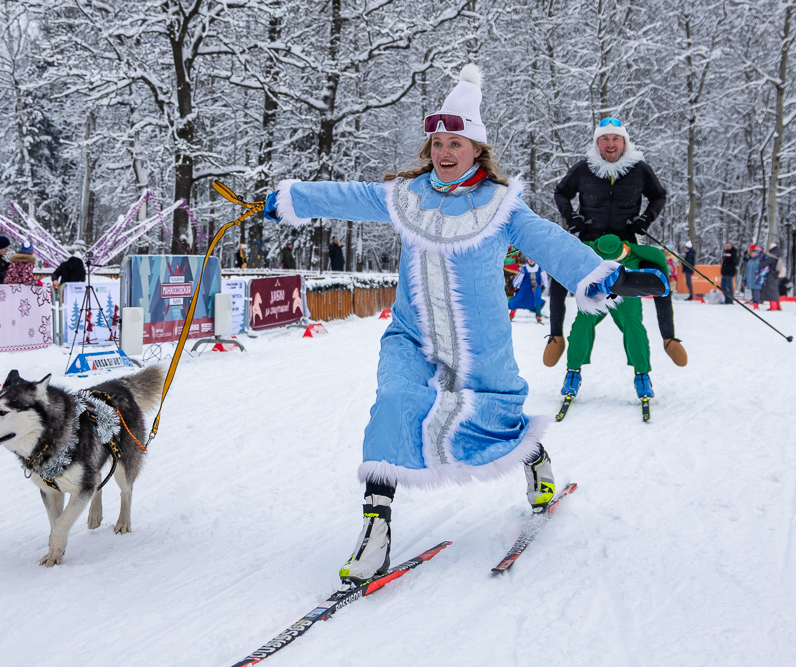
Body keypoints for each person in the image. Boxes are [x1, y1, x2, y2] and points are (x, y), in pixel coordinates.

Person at [261, 64, 666, 584]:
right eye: (437, 144)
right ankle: (375, 528)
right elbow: (348, 195)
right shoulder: (405, 196)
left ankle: (534, 459)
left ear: (477, 150)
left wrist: (598, 277)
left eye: (456, 143)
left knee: (496, 418)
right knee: (394, 403)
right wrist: (289, 200)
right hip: (411, 335)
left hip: (481, 345)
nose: (445, 152)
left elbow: (550, 242)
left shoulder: (502, 207)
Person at [548, 117, 686, 368]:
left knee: (658, 274)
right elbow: (560, 193)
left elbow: (659, 196)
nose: (610, 144)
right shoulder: (583, 168)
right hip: (590, 245)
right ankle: (555, 337)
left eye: (615, 139)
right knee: (558, 273)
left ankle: (670, 339)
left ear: (624, 142)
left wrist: (646, 219)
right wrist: (572, 218)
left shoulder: (640, 169)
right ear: (597, 142)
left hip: (627, 246)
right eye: (605, 139)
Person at [562, 234, 669, 401]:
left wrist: (633, 248)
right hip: (596, 293)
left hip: (624, 294)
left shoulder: (631, 251)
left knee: (633, 326)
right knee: (582, 324)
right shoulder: (589, 248)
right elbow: (562, 248)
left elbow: (660, 258)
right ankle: (573, 373)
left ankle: (642, 375)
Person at [508, 257, 547, 323]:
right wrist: (516, 285)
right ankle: (511, 314)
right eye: (529, 259)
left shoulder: (539, 267)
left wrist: (544, 285)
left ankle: (538, 315)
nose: (531, 260)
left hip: (536, 285)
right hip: (525, 286)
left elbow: (544, 277)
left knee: (537, 297)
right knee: (518, 298)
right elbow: (519, 278)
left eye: (533, 259)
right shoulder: (525, 268)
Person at [759, 243, 784, 311]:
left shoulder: (772, 258)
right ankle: (778, 306)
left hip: (771, 276)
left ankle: (773, 307)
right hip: (776, 275)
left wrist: (760, 261)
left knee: (771, 291)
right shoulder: (778, 256)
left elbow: (763, 264)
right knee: (775, 291)